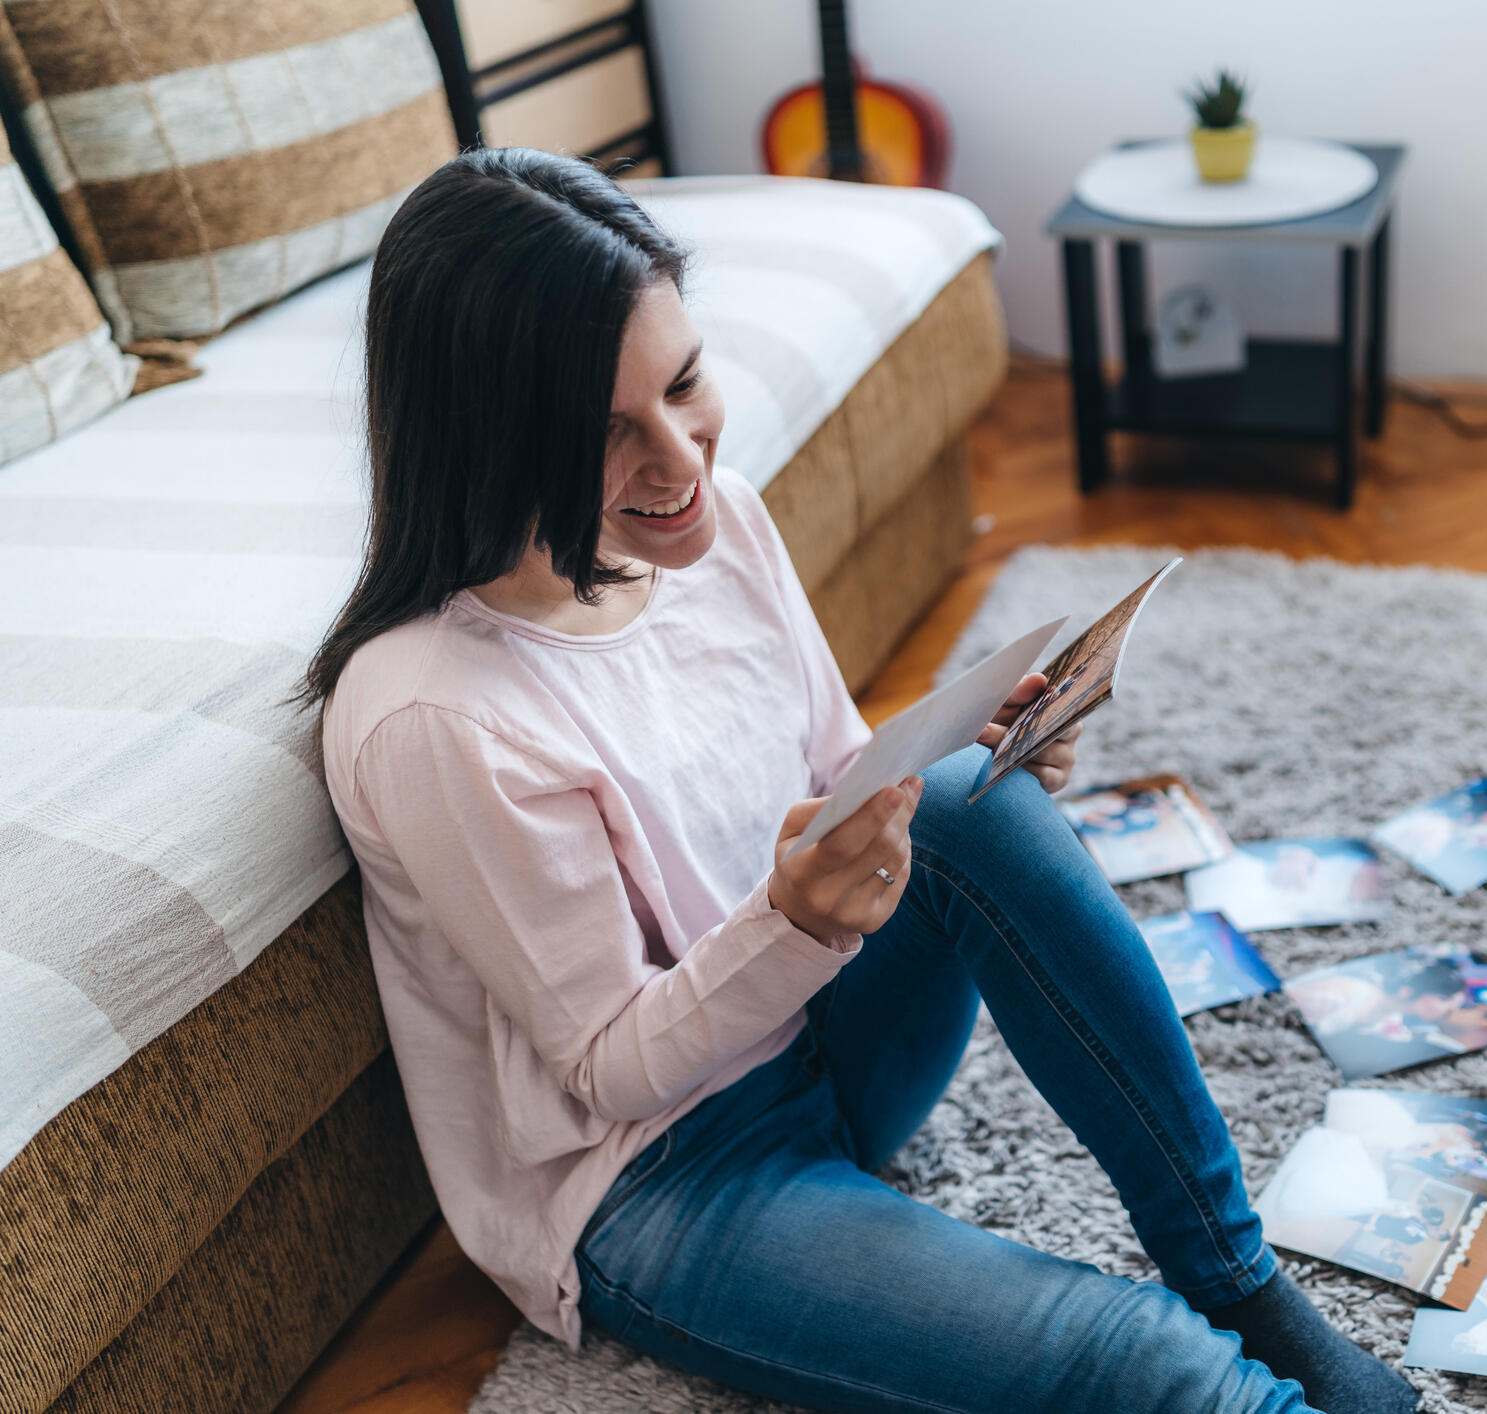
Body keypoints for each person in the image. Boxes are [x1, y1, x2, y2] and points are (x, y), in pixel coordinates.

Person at [303, 148, 1416, 1414]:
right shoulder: (437, 715)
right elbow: (607, 1070)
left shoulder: (714, 527)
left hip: (825, 1037)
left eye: (683, 384)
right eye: (607, 434)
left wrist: (980, 759)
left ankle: (1234, 1272)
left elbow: (842, 778)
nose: (680, 461)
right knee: (1140, 1369)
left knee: (952, 800)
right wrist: (802, 919)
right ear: (489, 439)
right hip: (663, 1178)